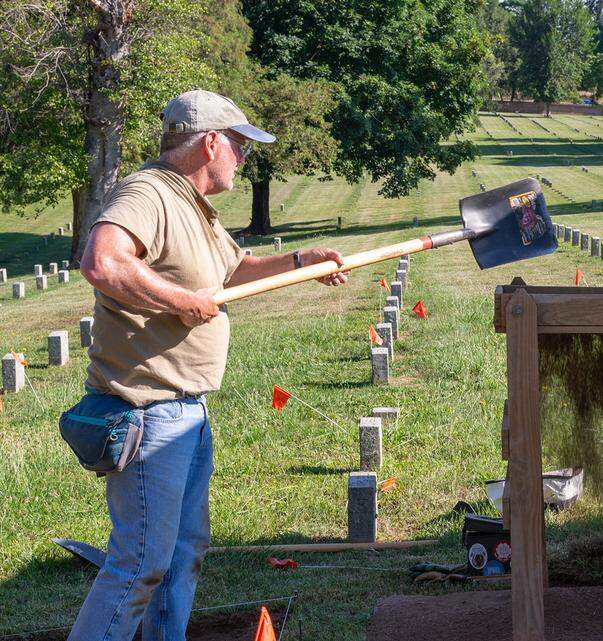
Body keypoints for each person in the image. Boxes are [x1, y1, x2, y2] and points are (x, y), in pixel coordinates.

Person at [71, 89, 348, 641]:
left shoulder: (193, 204)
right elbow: (102, 262)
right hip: (147, 414)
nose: (243, 158)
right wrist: (178, 301)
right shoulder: (149, 192)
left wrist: (301, 262)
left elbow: (235, 271)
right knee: (139, 565)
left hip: (186, 413)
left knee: (179, 557)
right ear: (211, 142)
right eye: (240, 146)